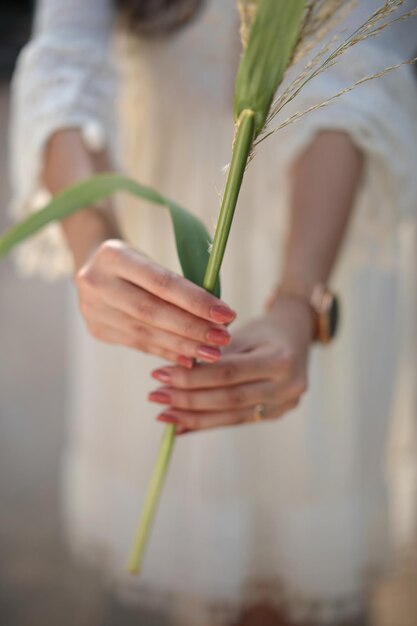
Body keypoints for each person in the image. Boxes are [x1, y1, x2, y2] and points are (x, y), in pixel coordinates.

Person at [9, 1, 417, 625]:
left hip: (322, 226)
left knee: (290, 565)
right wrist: (92, 239)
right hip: (153, 244)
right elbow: (65, 61)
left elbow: (355, 81)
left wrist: (296, 301)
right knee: (169, 546)